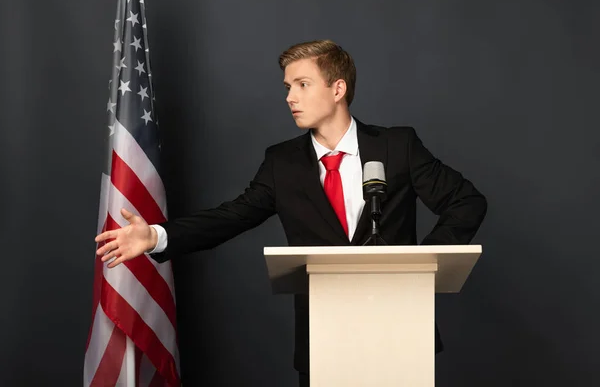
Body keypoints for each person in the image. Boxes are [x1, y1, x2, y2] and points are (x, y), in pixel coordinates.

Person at [95, 39, 487, 386]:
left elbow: (466, 202)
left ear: (338, 88)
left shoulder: (397, 145)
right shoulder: (282, 163)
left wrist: (419, 263)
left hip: (401, 331)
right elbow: (233, 216)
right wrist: (157, 236)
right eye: (287, 87)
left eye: (302, 85)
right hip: (323, 342)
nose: (290, 97)